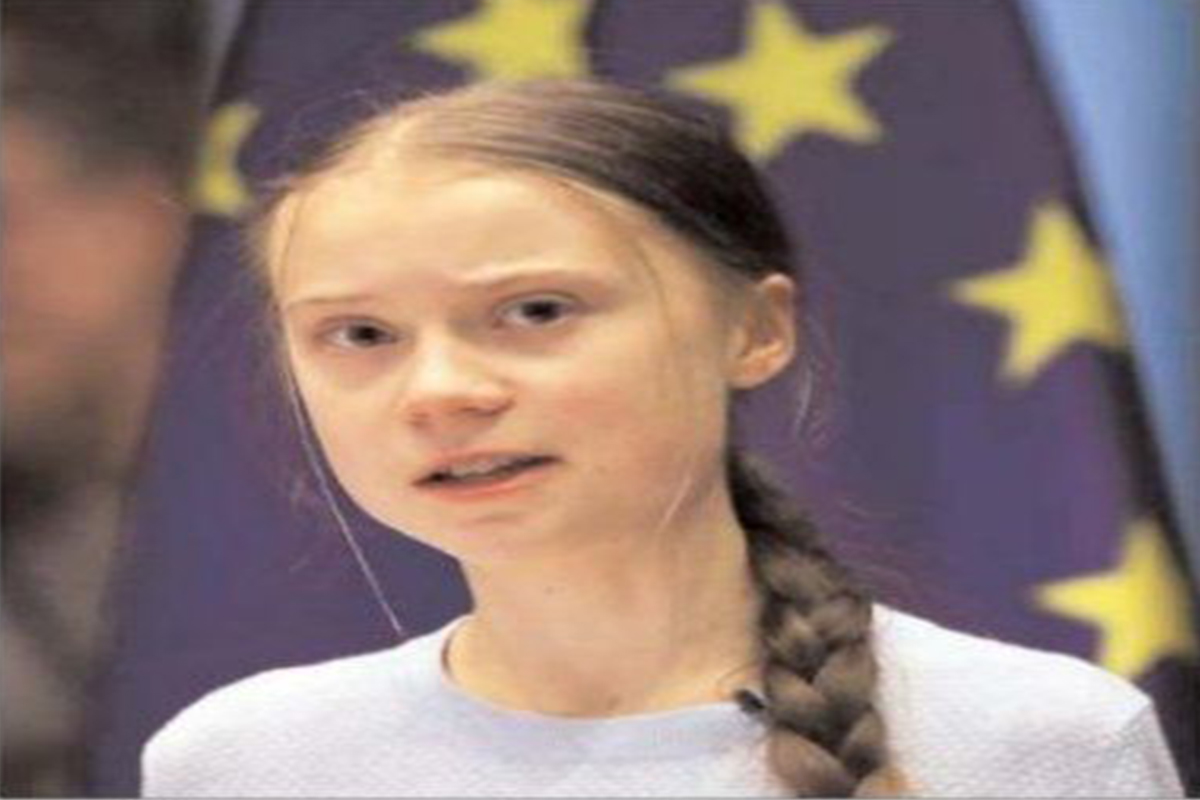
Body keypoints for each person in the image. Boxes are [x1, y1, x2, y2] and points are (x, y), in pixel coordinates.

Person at [139, 78, 1184, 798]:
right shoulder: (239, 762)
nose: (442, 391)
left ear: (755, 328)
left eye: (537, 311)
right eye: (360, 335)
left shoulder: (1033, 742)